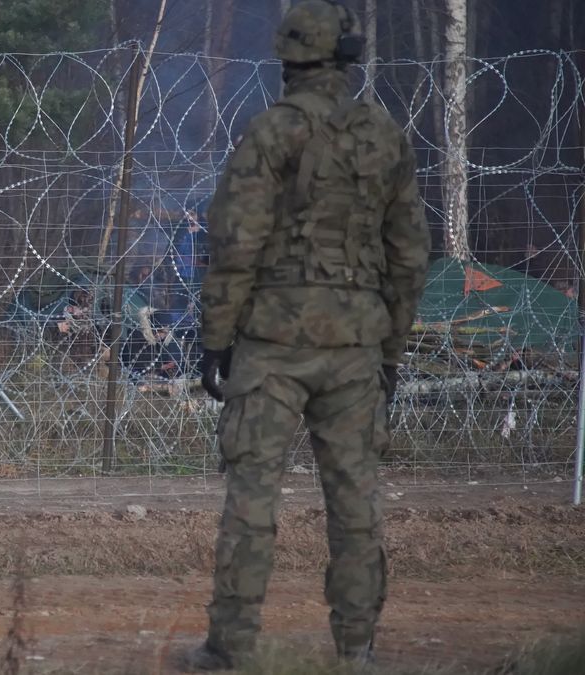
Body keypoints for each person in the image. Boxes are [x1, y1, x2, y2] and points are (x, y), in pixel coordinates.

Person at [179, 1, 431, 669]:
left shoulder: (271, 131)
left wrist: (216, 337)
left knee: (253, 493)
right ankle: (357, 648)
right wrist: (391, 350)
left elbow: (236, 242)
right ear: (346, 55)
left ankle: (229, 647)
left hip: (274, 339)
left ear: (288, 56)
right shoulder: (384, 135)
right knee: (355, 501)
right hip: (355, 342)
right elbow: (409, 254)